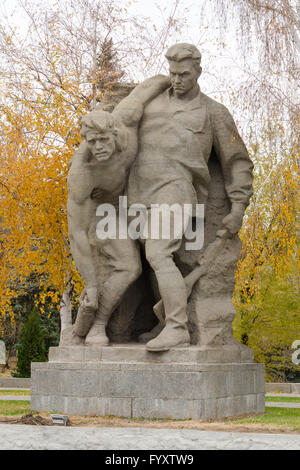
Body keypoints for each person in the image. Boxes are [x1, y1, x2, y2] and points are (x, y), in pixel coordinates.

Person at [126, 43, 254, 351]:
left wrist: (237, 208)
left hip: (178, 190)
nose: (177, 80)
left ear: (198, 71)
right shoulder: (150, 103)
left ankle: (178, 327)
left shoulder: (213, 112)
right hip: (137, 193)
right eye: (172, 73)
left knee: (158, 253)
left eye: (184, 74)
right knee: (147, 262)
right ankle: (166, 317)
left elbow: (237, 162)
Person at [67, 75, 170, 345]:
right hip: (105, 212)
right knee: (128, 266)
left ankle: (170, 323)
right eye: (91, 141)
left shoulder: (127, 119)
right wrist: (90, 283)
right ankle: (98, 325)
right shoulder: (82, 172)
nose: (98, 147)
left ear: (114, 133)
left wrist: (175, 81)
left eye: (102, 139)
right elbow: (77, 233)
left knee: (167, 252)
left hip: (141, 199)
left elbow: (150, 85)